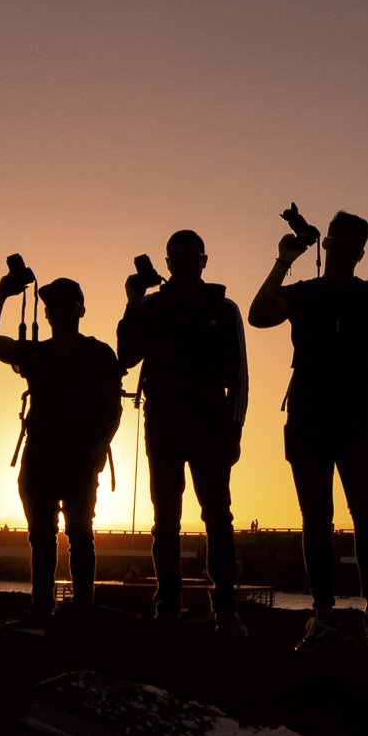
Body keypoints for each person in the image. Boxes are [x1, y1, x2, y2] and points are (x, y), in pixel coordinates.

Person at [248, 210, 368, 649]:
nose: (347, 250)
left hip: (356, 422)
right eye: (340, 241)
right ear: (328, 244)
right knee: (316, 519)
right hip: (307, 421)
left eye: (356, 245)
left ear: (362, 252)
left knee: (366, 515)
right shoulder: (303, 294)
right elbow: (258, 315)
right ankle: (323, 613)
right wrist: (283, 261)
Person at [118, 231, 249, 632]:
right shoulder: (152, 308)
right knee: (166, 519)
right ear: (169, 263)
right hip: (164, 423)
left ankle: (224, 608)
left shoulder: (225, 309)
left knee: (218, 517)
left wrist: (235, 430)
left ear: (204, 260)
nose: (188, 263)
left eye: (193, 257)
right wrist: (132, 301)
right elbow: (126, 356)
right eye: (180, 258)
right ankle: (168, 608)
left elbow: (240, 376)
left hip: (211, 423)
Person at [0, 267, 122, 630]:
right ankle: (42, 608)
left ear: (80, 310)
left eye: (66, 305)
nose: (58, 311)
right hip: (39, 459)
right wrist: (1, 293)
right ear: (47, 314)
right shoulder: (35, 354)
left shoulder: (98, 354)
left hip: (80, 460)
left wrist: (99, 449)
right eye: (53, 306)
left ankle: (82, 609)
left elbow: (113, 409)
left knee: (80, 535)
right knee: (42, 537)